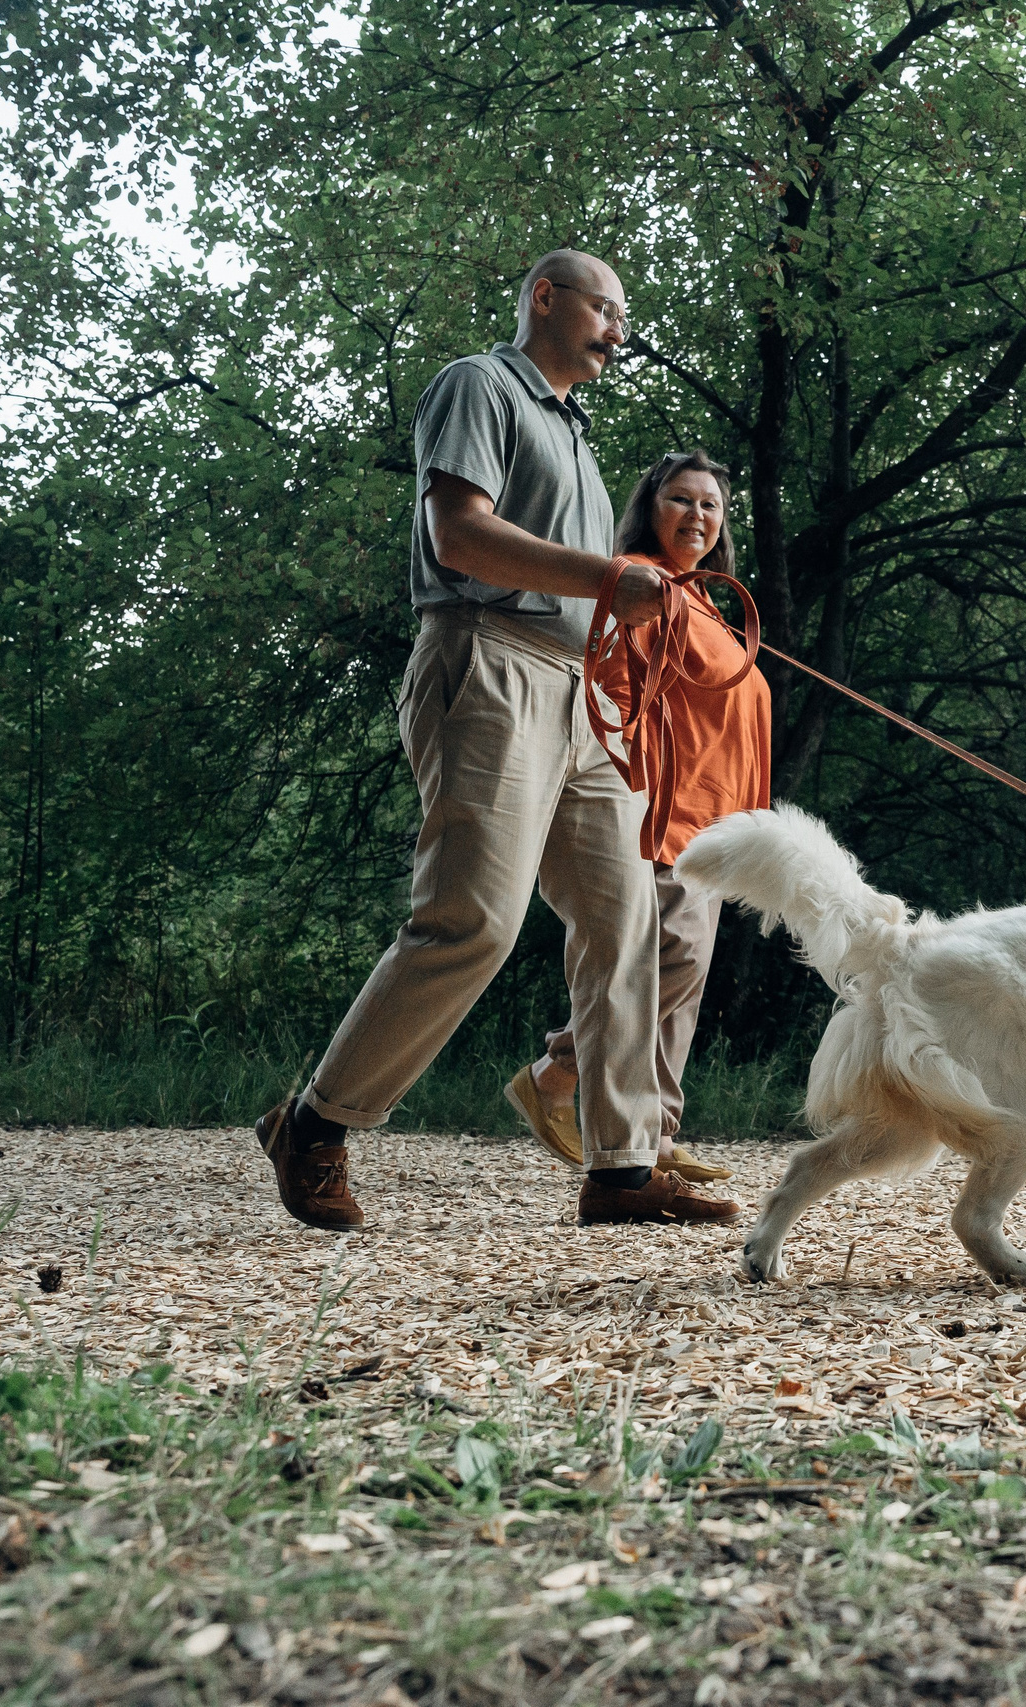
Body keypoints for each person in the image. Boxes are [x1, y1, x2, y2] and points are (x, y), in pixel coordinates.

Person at [253, 249, 741, 1232]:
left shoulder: (575, 434)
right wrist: (608, 579)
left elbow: (588, 586)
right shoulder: (480, 385)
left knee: (628, 916)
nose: (617, 329)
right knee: (472, 918)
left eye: (623, 315)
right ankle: (315, 1124)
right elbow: (459, 537)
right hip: (486, 664)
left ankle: (621, 1168)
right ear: (545, 298)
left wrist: (629, 615)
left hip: (579, 696)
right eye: (604, 307)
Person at [504, 452, 770, 1184]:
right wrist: (634, 784)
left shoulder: (708, 600)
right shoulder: (637, 587)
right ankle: (568, 1075)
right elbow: (608, 691)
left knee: (684, 971)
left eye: (710, 506)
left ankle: (647, 1126)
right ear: (650, 508)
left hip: (718, 823)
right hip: (662, 807)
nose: (697, 515)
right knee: (669, 960)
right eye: (681, 500)